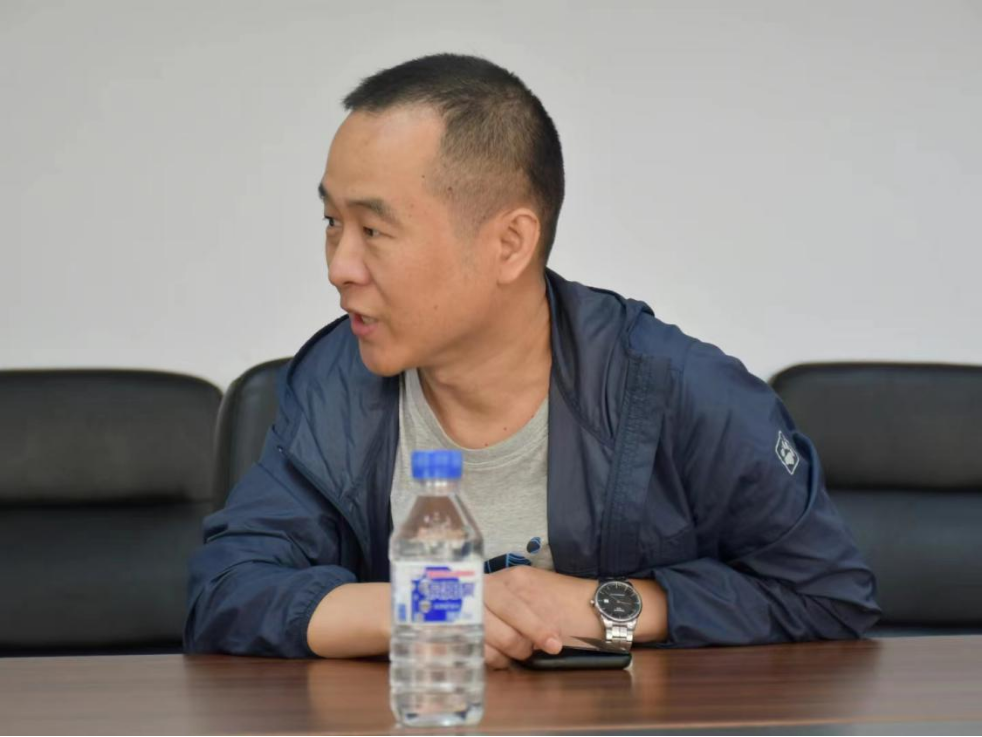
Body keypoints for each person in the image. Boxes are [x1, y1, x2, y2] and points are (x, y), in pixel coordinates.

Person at [184, 53, 880, 667]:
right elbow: (225, 591)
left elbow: (827, 593)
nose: (340, 266)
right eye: (332, 222)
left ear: (510, 243)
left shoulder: (674, 388)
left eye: (373, 228)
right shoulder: (336, 380)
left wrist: (602, 607)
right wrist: (438, 605)